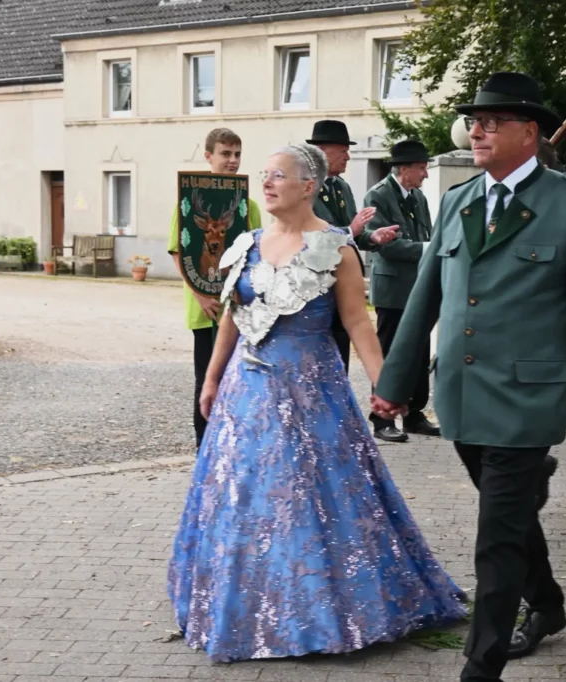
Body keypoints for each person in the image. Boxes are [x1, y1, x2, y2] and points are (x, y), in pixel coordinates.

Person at [168, 142, 467, 663]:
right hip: (246, 394)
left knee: (311, 495)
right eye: (265, 174)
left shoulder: (336, 247)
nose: (266, 182)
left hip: (311, 391)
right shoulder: (244, 243)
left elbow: (357, 320)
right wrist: (212, 378)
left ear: (309, 185)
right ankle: (244, 605)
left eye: (277, 175)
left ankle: (321, 610)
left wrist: (384, 384)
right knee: (243, 496)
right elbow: (230, 321)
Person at [371, 72, 566, 682]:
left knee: (495, 538)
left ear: (529, 132)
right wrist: (392, 384)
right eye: (474, 122)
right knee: (508, 519)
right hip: (461, 395)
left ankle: (480, 667)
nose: (477, 130)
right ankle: (550, 605)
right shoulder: (458, 200)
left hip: (527, 399)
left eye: (492, 122)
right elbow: (425, 299)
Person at [167, 127, 263, 448]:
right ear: (208, 156)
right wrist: (200, 294)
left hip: (239, 309)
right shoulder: (187, 200)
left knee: (241, 378)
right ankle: (204, 445)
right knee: (207, 379)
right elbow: (179, 252)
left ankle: (234, 443)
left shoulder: (248, 206)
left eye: (237, 154)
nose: (233, 160)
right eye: (225, 154)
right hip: (205, 307)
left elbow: (254, 253)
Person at [363, 139, 441, 442]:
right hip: (393, 289)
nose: (426, 174)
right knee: (388, 353)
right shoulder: (378, 195)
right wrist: (428, 248)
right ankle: (381, 419)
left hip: (417, 287)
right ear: (404, 169)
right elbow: (387, 245)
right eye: (422, 168)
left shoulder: (418, 197)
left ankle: (413, 413)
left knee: (420, 351)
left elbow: (429, 235)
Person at [306, 119, 392, 372]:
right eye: (342, 150)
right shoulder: (306, 186)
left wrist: (373, 237)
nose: (348, 156)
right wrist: (350, 230)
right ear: (322, 151)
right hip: (317, 285)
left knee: (341, 356)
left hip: (343, 284)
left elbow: (355, 232)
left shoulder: (341, 187)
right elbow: (308, 236)